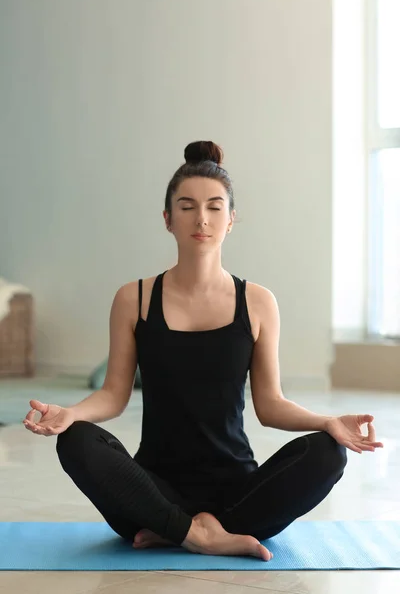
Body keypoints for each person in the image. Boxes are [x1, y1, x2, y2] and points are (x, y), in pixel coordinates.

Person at [23, 141, 383, 561]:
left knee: (327, 451)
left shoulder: (258, 302)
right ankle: (196, 533)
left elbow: (270, 405)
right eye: (187, 206)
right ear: (167, 219)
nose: (201, 218)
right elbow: (114, 395)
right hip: (152, 489)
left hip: (237, 494)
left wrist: (329, 422)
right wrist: (70, 414)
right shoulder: (134, 298)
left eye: (215, 207)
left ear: (231, 220)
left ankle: (176, 531)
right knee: (76, 439)